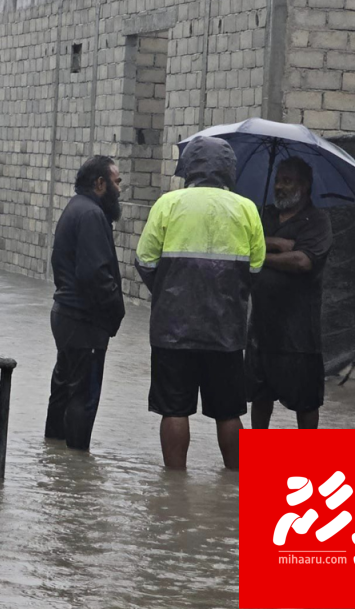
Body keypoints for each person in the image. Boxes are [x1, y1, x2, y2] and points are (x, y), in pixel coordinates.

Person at [135, 136, 265, 470]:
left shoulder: (168, 204)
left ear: (188, 166)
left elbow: (145, 261)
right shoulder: (246, 208)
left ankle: (175, 484)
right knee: (229, 410)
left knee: (174, 408)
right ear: (229, 169)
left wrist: (167, 293)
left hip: (172, 331)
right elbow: (256, 268)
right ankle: (234, 481)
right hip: (226, 331)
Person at [46, 155, 126, 450]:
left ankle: (55, 461)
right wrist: (116, 310)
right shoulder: (91, 215)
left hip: (67, 316)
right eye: (117, 182)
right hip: (84, 321)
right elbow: (94, 274)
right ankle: (76, 472)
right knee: (82, 396)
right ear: (101, 183)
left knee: (64, 391)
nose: (120, 189)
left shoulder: (76, 208)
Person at [247, 157, 333, 430]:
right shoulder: (264, 216)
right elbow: (243, 244)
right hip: (261, 327)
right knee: (259, 399)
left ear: (305, 186)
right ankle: (258, 462)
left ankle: (303, 464)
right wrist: (275, 243)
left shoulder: (317, 221)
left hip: (298, 332)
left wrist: (260, 257)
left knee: (305, 402)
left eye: (288, 181)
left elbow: (302, 261)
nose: (280, 187)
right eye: (278, 180)